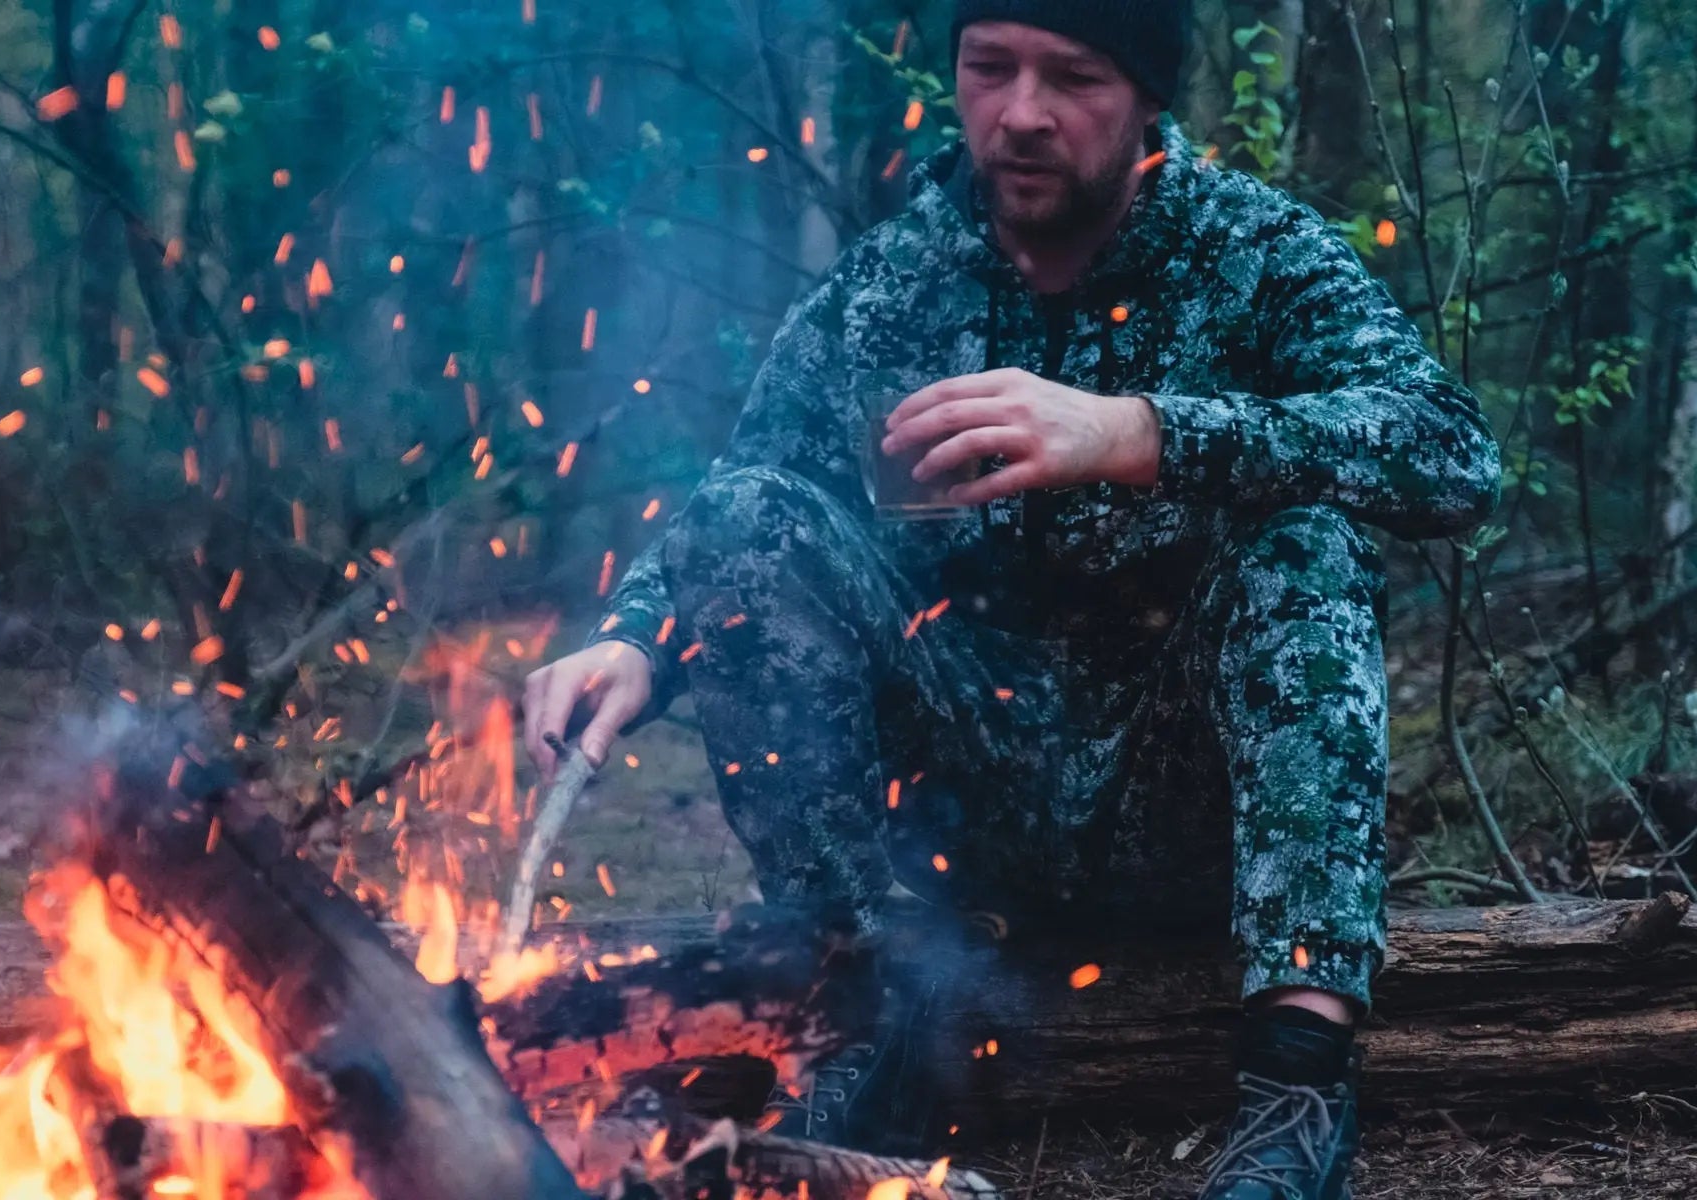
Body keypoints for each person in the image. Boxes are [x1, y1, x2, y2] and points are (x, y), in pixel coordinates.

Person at [521, 1, 1499, 1195]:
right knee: (739, 521)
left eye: (1072, 78)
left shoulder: (1254, 254)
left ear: (1145, 98)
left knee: (1302, 534)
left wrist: (1137, 432)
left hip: (1189, 809)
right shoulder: (898, 279)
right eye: (988, 69)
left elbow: (1449, 453)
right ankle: (866, 1004)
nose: (1020, 115)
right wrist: (634, 640)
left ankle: (1295, 1081)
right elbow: (750, 491)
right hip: (959, 833)